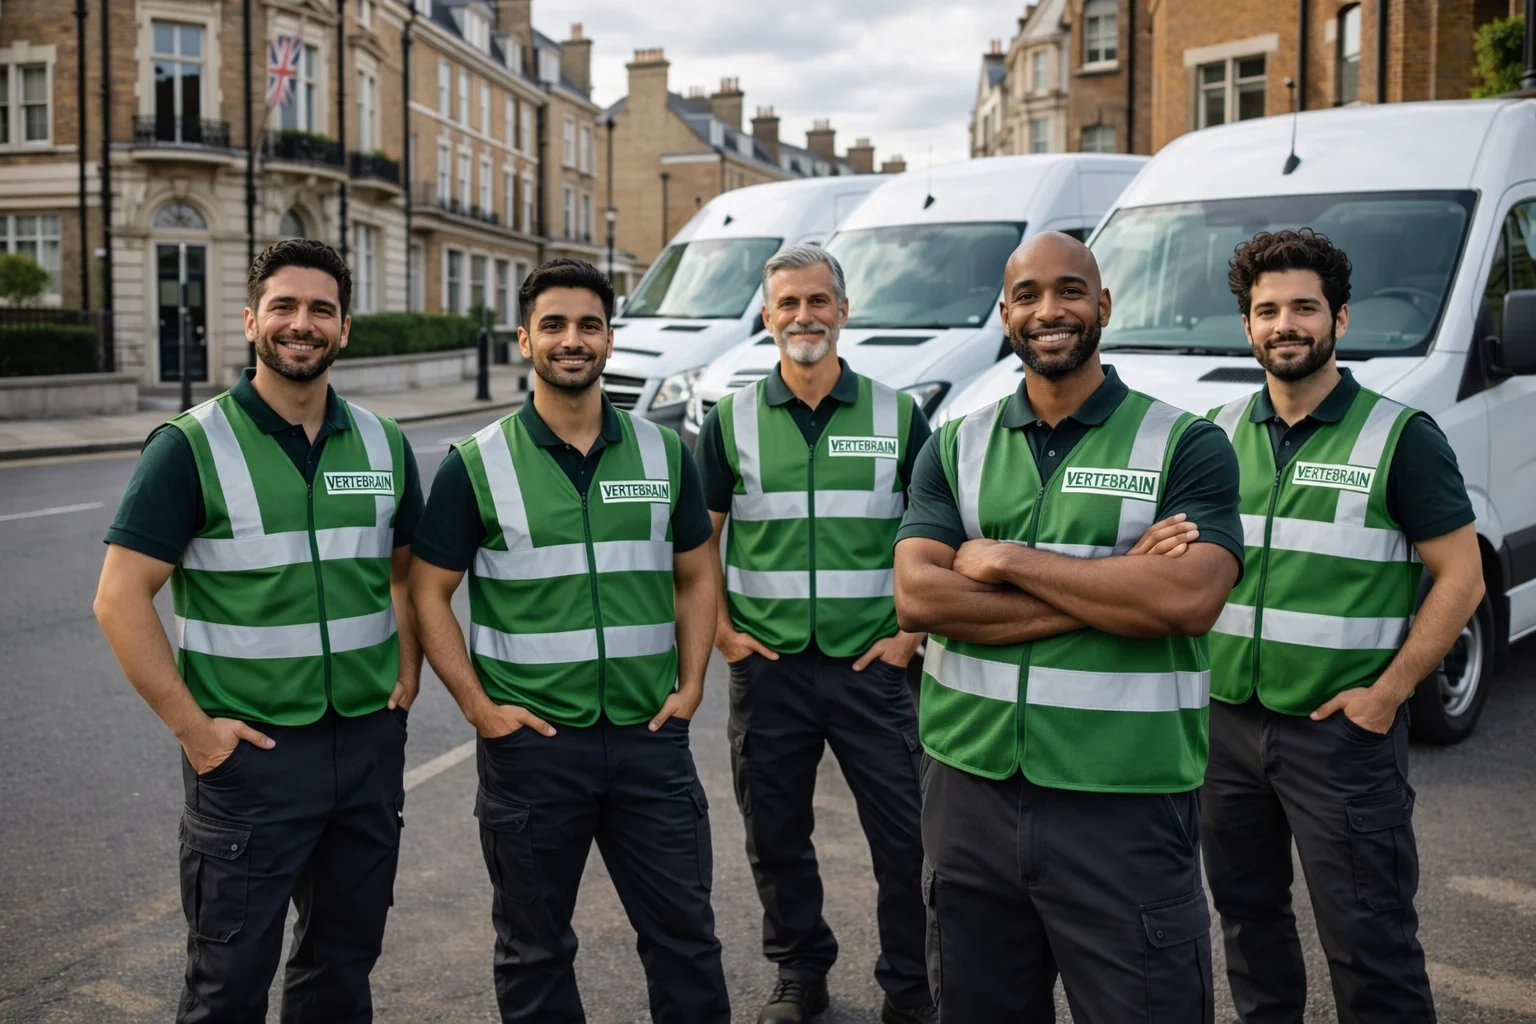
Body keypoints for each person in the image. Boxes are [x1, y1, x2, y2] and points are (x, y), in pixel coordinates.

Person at [893, 231, 1245, 1022]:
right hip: (969, 793)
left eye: (1070, 290)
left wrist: (1010, 559)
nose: (1050, 310)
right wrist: (1119, 585)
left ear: (1104, 305)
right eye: (1028, 295)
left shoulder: (1187, 444)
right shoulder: (954, 444)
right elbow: (920, 599)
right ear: (1006, 314)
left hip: (1124, 800)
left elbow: (1186, 603)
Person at [93, 238, 423, 1023]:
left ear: (345, 329)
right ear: (250, 321)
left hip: (366, 751)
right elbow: (119, 598)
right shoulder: (189, 446)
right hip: (251, 760)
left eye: (321, 309)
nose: (301, 324)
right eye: (284, 306)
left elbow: (408, 573)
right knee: (227, 986)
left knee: (341, 972)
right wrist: (198, 735)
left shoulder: (385, 444)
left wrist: (404, 676)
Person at [409, 258, 731, 1024]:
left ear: (610, 339)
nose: (571, 339)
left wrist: (692, 683)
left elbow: (696, 573)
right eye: (553, 324)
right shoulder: (475, 465)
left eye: (588, 324)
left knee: (686, 939)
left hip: (651, 740)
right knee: (535, 948)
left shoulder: (662, 453)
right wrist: (479, 709)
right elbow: (427, 592)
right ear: (524, 338)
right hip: (534, 750)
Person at [1203, 228, 1483, 1024]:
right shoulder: (1215, 436)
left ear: (1341, 320)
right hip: (1225, 728)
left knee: (1371, 946)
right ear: (1248, 326)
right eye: (1266, 310)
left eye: (1303, 307)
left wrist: (1387, 695)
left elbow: (1461, 579)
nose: (1284, 324)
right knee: (1249, 926)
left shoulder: (1399, 437)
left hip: (1341, 736)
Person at [692, 244, 934, 1024]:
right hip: (771, 672)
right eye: (788, 304)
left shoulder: (900, 415)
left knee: (908, 841)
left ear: (843, 312)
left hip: (874, 667)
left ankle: (912, 984)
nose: (804, 317)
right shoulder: (728, 421)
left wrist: (909, 637)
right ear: (767, 318)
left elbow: (935, 535)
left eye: (818, 301)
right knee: (777, 836)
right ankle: (800, 974)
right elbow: (699, 548)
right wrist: (725, 635)